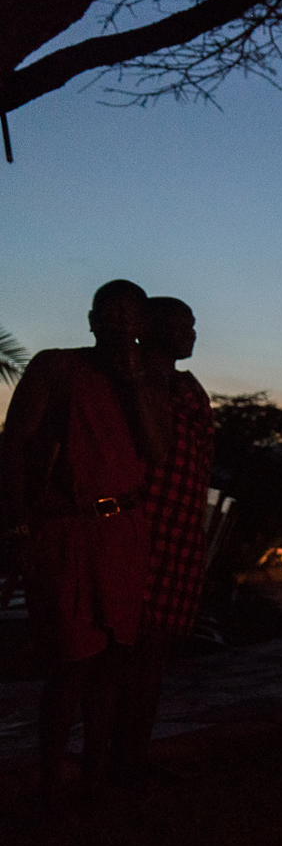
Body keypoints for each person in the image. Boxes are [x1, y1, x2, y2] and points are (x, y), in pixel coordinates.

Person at [1, 280, 171, 812]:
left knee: (114, 657)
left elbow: (157, 451)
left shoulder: (150, 379)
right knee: (70, 660)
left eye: (130, 315)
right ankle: (51, 782)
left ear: (142, 326)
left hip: (125, 529)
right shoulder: (57, 367)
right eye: (109, 313)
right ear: (91, 320)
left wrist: (135, 385)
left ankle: (96, 778)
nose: (119, 323)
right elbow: (13, 446)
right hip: (69, 527)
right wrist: (17, 527)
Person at [122, 296, 214, 787]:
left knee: (153, 651)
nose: (191, 334)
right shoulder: (135, 380)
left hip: (179, 528)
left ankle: (133, 753)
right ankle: (120, 757)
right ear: (151, 329)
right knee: (133, 649)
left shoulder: (184, 386)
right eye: (182, 325)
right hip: (144, 527)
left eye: (192, 325)